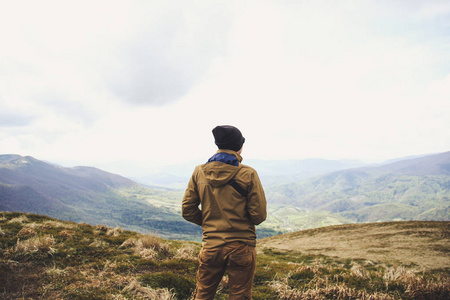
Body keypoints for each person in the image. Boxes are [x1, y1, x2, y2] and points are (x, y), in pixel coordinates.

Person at [182, 125, 267, 300]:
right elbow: (258, 216)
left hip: (211, 246)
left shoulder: (199, 172)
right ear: (239, 146)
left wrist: (209, 223)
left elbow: (188, 210)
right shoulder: (248, 174)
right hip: (241, 246)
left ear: (218, 145)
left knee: (203, 294)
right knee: (240, 295)